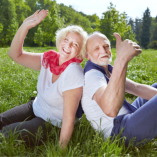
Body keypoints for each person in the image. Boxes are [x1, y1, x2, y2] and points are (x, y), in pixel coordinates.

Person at [0, 10, 88, 149]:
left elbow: (68, 118)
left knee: (5, 134)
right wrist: (25, 26)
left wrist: (61, 151)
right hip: (36, 106)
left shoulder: (73, 73)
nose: (68, 46)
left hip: (52, 123)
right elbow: (14, 55)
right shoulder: (49, 59)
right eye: (66, 40)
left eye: (75, 44)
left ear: (80, 51)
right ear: (60, 40)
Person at [82, 31, 157, 146]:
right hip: (120, 132)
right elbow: (110, 110)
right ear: (88, 56)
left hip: (128, 116)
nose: (103, 50)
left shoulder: (108, 70)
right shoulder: (92, 75)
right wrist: (121, 59)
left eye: (106, 46)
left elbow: (137, 88)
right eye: (96, 48)